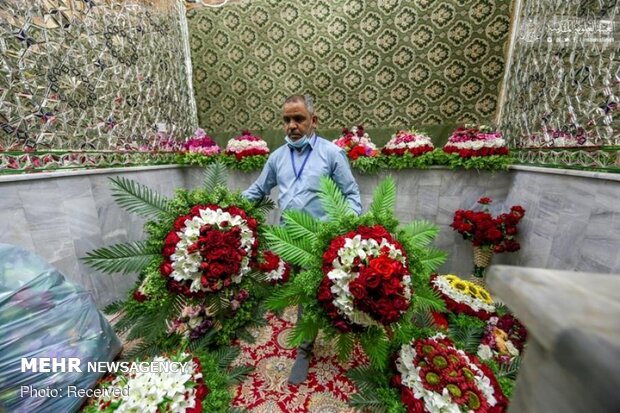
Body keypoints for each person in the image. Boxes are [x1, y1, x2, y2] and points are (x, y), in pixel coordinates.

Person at [243, 94, 361, 385]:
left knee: (313, 296)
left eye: (299, 119)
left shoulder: (331, 153)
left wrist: (337, 229)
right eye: (287, 120)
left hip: (321, 241)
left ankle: (304, 351)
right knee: (303, 293)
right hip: (289, 242)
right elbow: (256, 192)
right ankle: (309, 339)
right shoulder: (277, 157)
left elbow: (352, 197)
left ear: (313, 120)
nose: (292, 126)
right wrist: (224, 207)